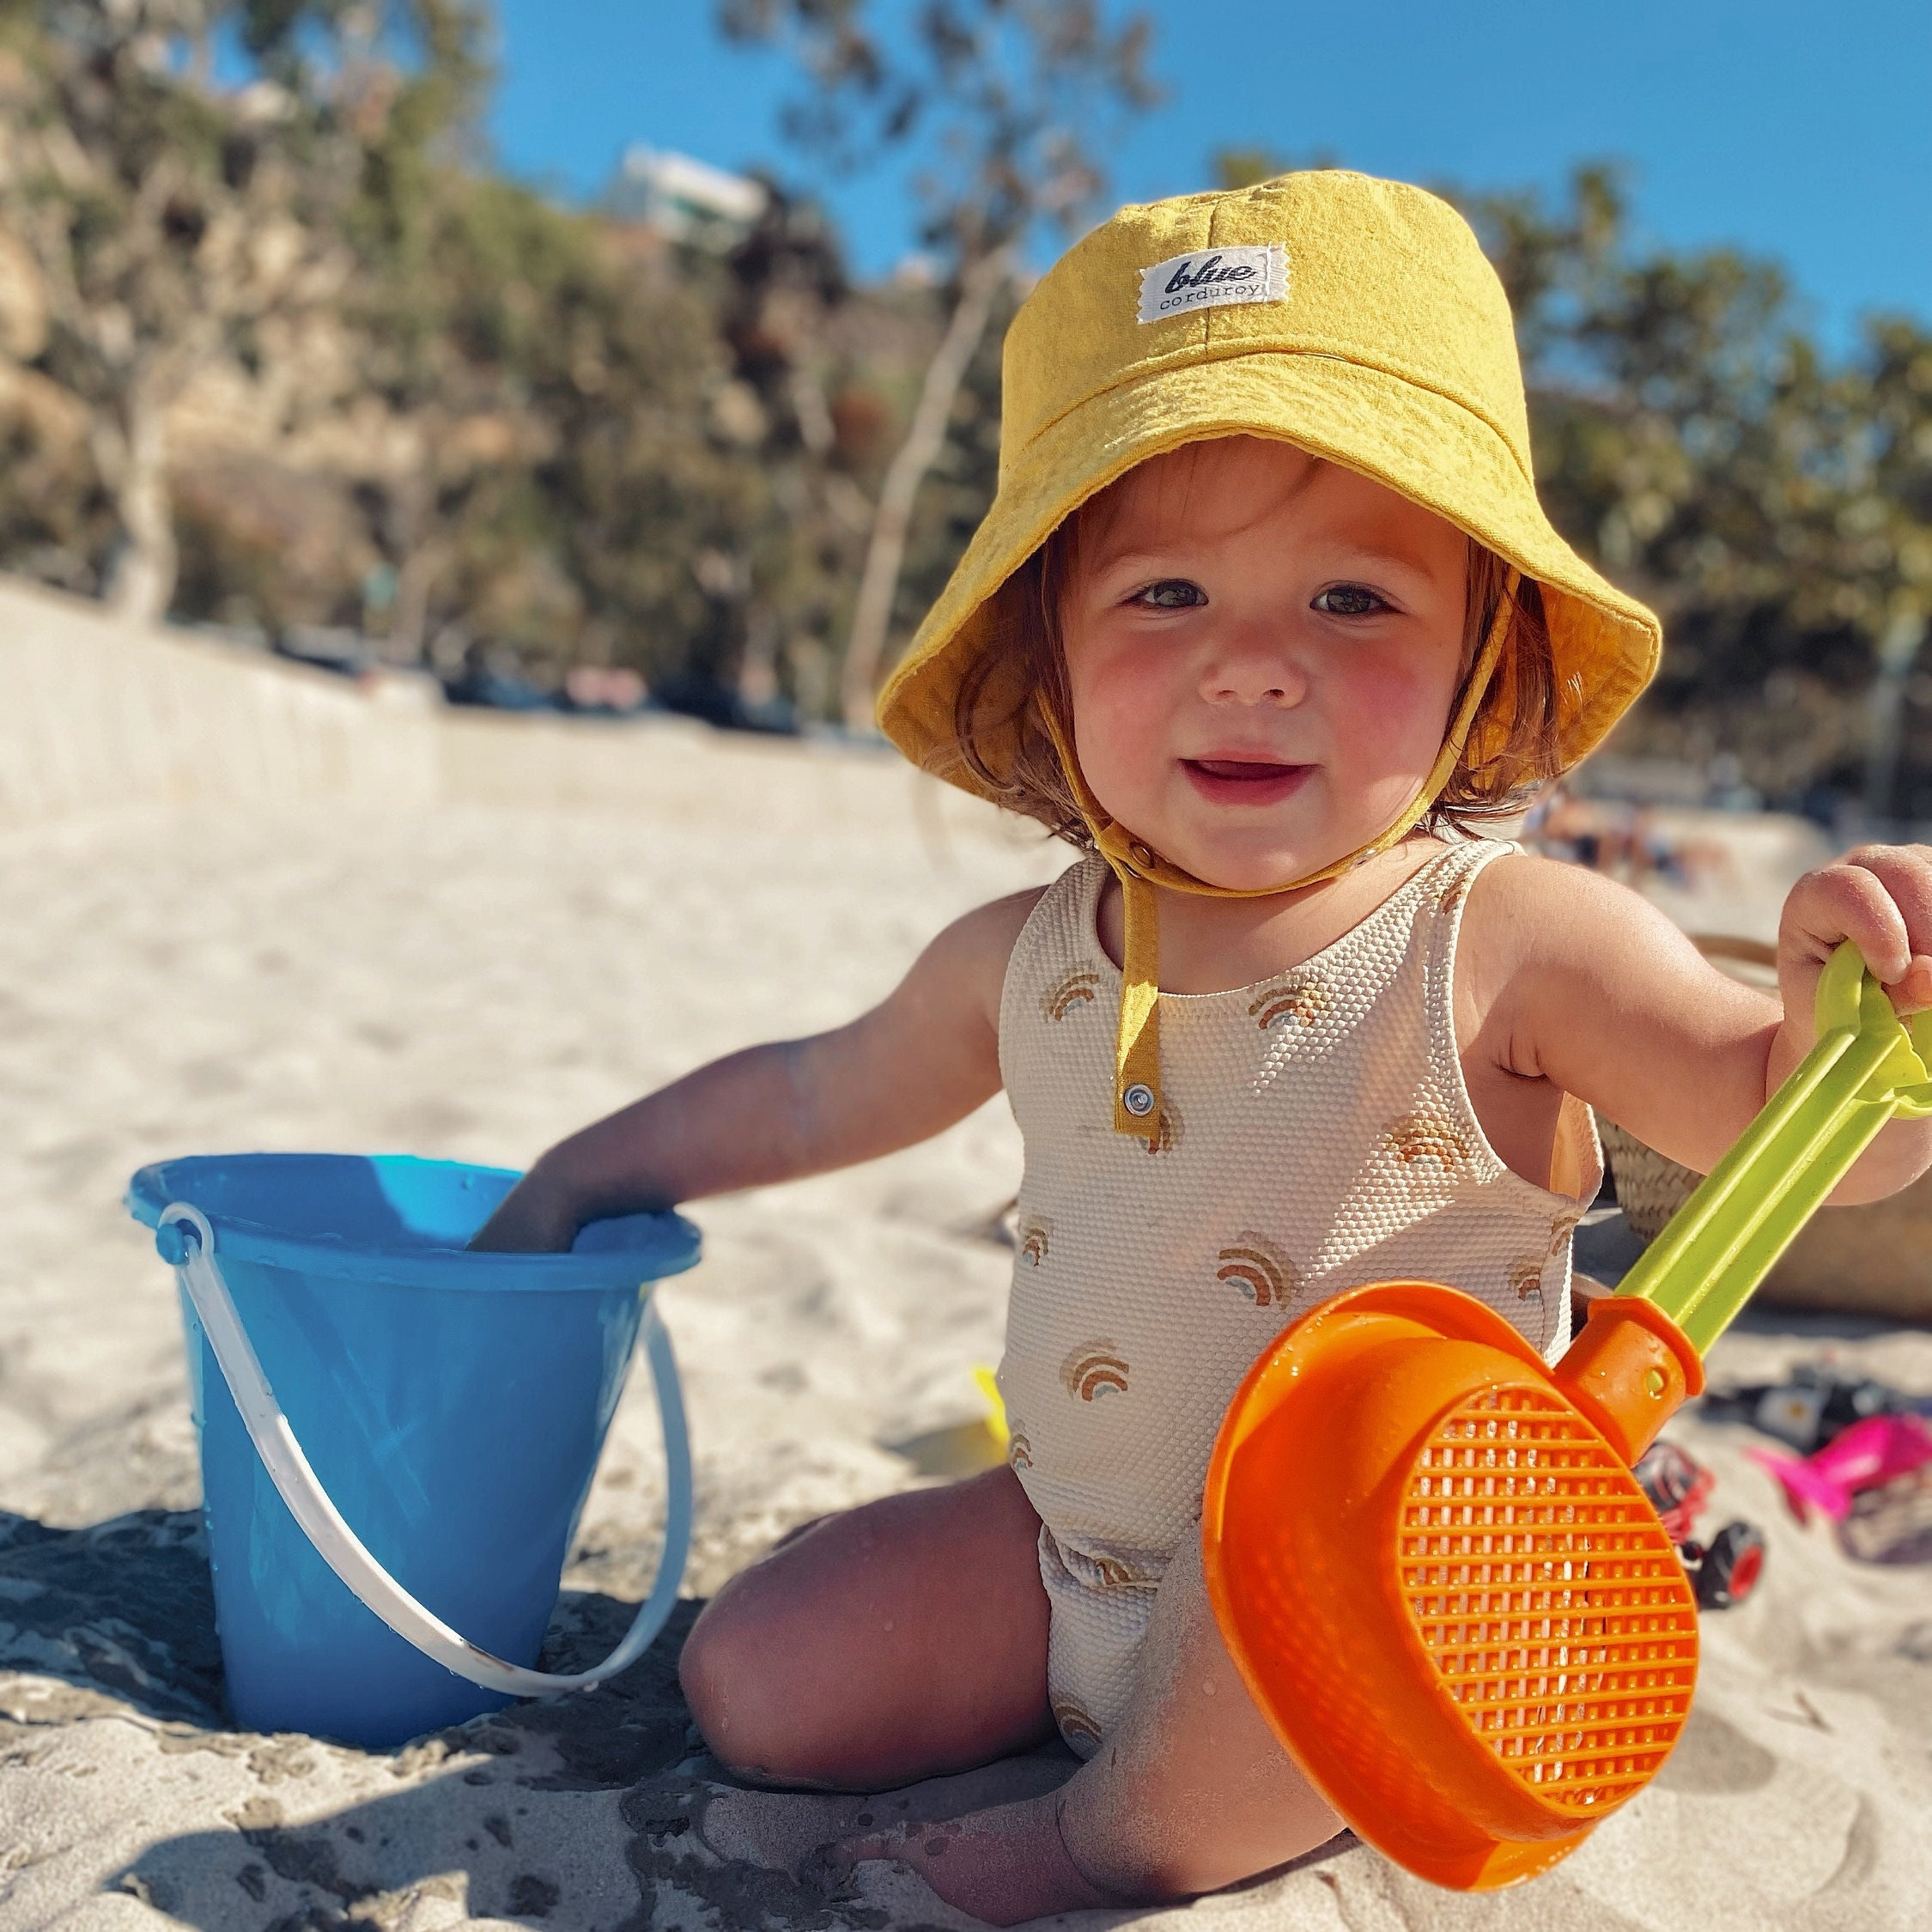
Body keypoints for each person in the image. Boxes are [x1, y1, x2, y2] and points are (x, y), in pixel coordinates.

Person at [472, 173, 1932, 1921]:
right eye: (1163, 594)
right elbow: (813, 1085)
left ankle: (1114, 1833)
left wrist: (1868, 1026)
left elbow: (1801, 1133)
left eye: (1355, 604)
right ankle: (1103, 1728)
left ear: (1484, 656)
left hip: (1376, 1620)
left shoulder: (1511, 940)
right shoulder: (1033, 956)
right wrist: (586, 1174)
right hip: (1070, 1554)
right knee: (762, 1678)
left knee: (1282, 1605)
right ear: (1050, 658)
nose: (1253, 666)